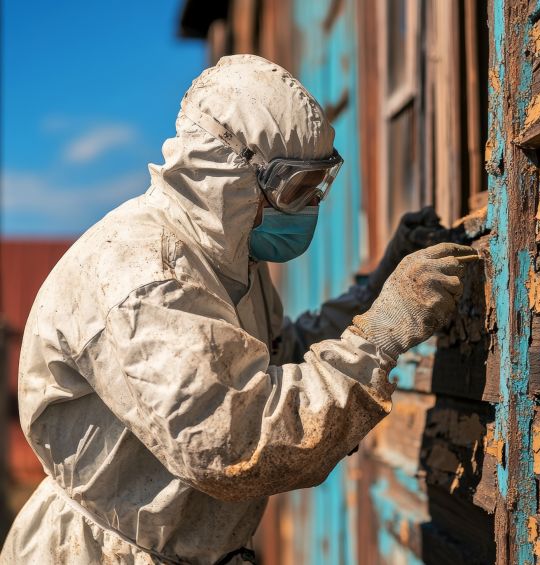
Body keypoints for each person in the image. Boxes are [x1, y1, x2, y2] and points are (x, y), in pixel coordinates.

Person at [0, 55, 477, 564]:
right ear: (229, 175)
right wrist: (380, 336)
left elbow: (278, 358)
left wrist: (375, 294)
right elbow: (231, 440)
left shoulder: (225, 258)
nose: (310, 205)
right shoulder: (145, 278)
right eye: (296, 188)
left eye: (318, 185)